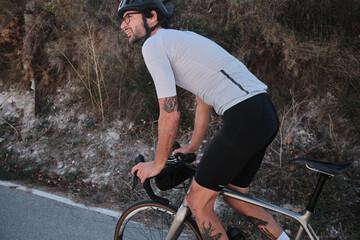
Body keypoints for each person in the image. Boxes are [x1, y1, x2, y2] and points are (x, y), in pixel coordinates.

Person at [118, 0, 290, 239]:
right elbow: (203, 101)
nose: (123, 25)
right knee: (233, 194)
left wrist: (157, 164)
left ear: (151, 16)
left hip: (244, 116)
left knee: (197, 202)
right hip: (263, 113)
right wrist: (193, 147)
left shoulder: (154, 45)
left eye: (128, 17)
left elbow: (169, 113)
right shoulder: (180, 40)